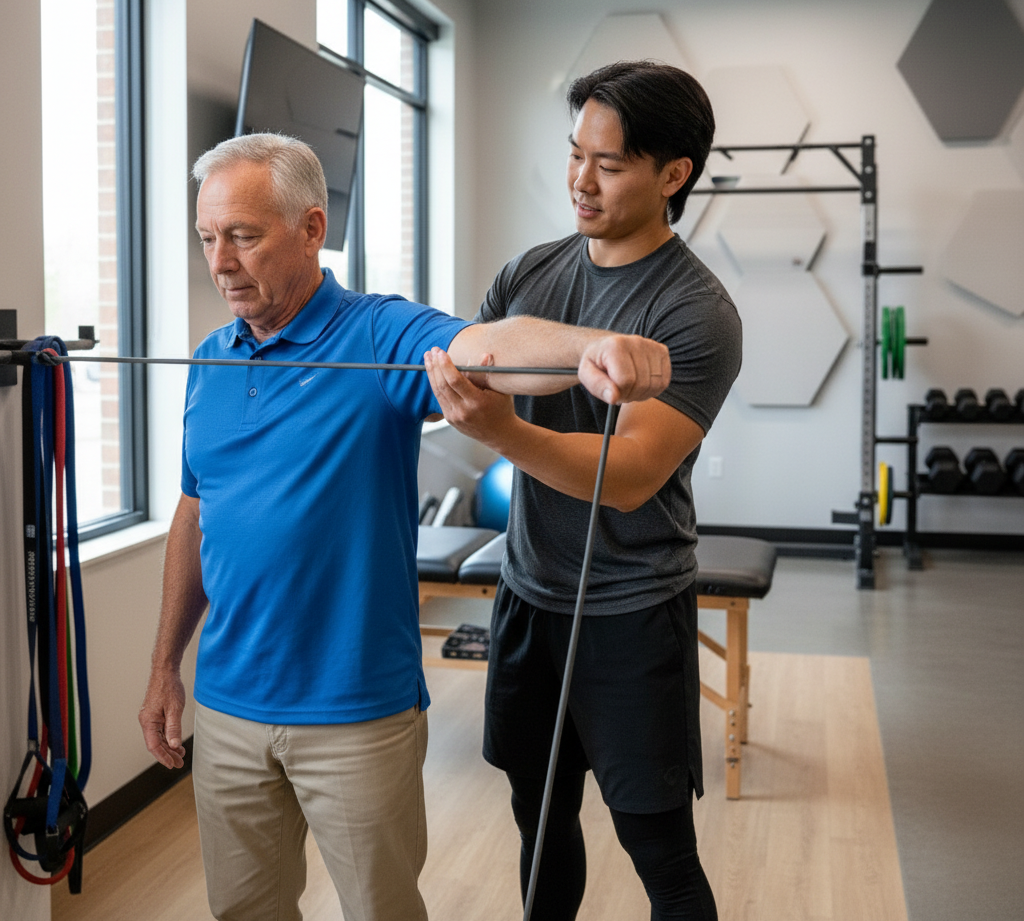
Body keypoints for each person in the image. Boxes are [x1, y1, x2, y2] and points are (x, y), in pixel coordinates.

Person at [137, 132, 671, 921]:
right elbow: (195, 511)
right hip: (227, 708)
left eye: (244, 236)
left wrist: (596, 348)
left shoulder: (376, 335)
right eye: (208, 237)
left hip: (356, 715)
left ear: (312, 229)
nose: (220, 262)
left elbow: (484, 348)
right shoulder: (211, 360)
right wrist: (162, 670)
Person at [424, 61, 743, 921]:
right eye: (575, 154)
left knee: (660, 853)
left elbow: (632, 478)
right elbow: (477, 356)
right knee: (540, 827)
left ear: (673, 175)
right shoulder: (532, 272)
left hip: (632, 610)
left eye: (609, 164)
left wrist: (501, 434)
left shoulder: (696, 312)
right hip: (530, 597)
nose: (580, 179)